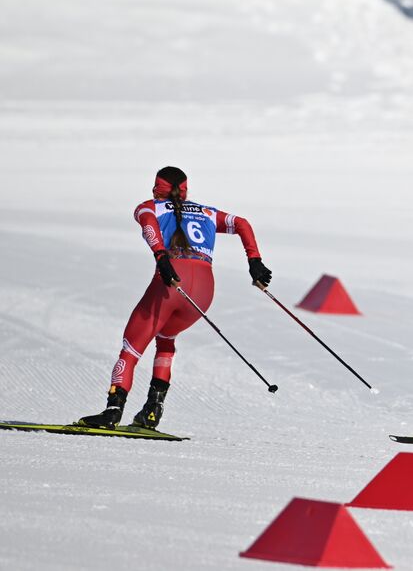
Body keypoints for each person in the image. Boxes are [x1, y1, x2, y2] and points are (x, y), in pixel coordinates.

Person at [76, 167, 270, 429]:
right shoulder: (208, 212)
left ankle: (112, 411)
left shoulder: (148, 207)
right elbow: (242, 223)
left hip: (170, 284)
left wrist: (161, 256)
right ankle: (152, 412)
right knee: (166, 340)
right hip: (202, 294)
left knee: (131, 347)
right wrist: (254, 261)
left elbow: (148, 228)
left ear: (157, 187)